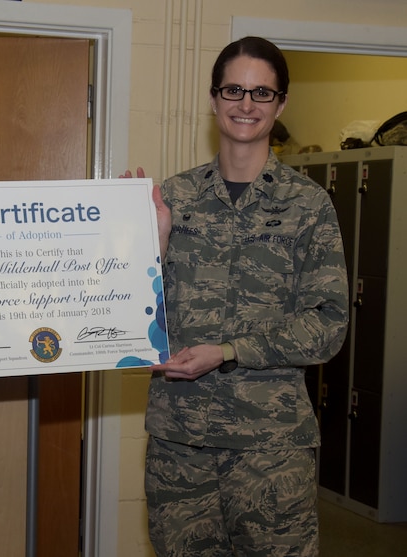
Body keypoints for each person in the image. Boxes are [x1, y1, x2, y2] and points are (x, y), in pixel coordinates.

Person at [125, 37, 349, 556]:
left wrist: (227, 351)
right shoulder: (171, 199)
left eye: (261, 93)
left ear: (281, 104)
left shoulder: (309, 206)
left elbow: (328, 325)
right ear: (213, 98)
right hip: (180, 442)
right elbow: (127, 316)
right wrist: (151, 245)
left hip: (271, 448)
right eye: (234, 90)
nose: (246, 104)